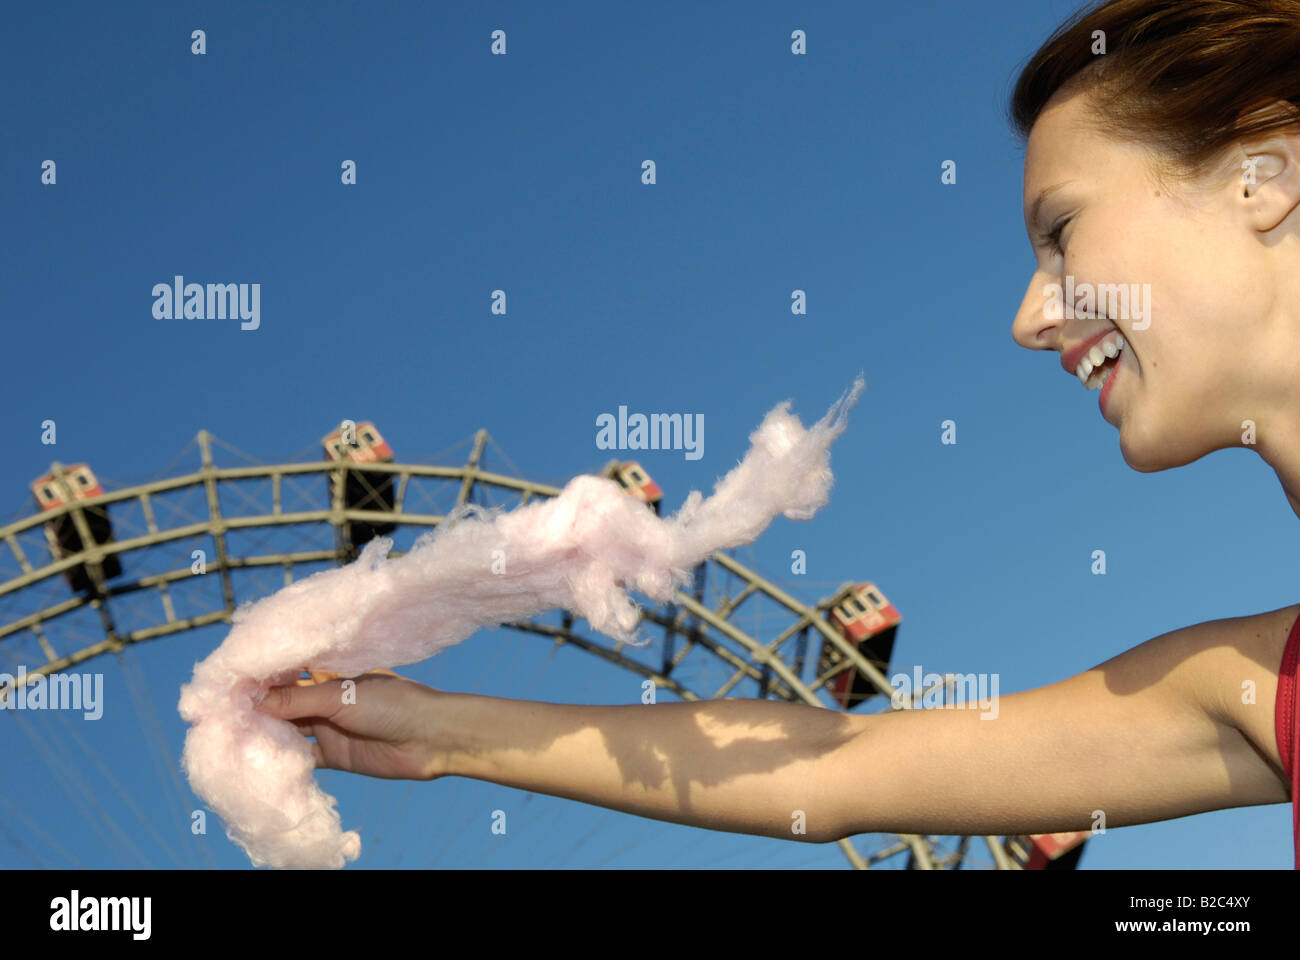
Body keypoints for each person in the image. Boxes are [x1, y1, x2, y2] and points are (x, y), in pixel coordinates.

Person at [258, 0, 1300, 863]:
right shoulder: (1259, 683)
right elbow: (840, 766)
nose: (1029, 319)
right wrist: (433, 729)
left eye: (1060, 232)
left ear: (1266, 177)